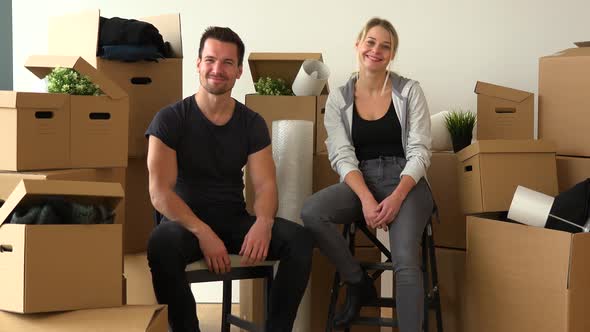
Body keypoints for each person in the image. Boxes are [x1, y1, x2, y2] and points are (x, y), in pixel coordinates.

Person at [145, 26, 313, 332]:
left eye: (227, 63)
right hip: (185, 224)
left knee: (299, 240)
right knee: (160, 243)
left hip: (233, 219)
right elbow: (160, 193)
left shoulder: (251, 123)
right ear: (198, 64)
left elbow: (265, 184)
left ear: (238, 72)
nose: (217, 69)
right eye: (210, 60)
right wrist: (202, 232)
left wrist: (263, 222)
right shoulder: (169, 119)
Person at [301, 17, 434, 332]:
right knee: (312, 211)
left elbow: (420, 151)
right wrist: (365, 198)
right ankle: (358, 282)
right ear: (358, 45)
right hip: (360, 179)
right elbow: (342, 154)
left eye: (385, 46)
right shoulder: (339, 99)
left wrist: (397, 197)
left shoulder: (409, 91)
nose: (376, 50)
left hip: (407, 181)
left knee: (404, 260)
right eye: (371, 42)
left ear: (392, 55)